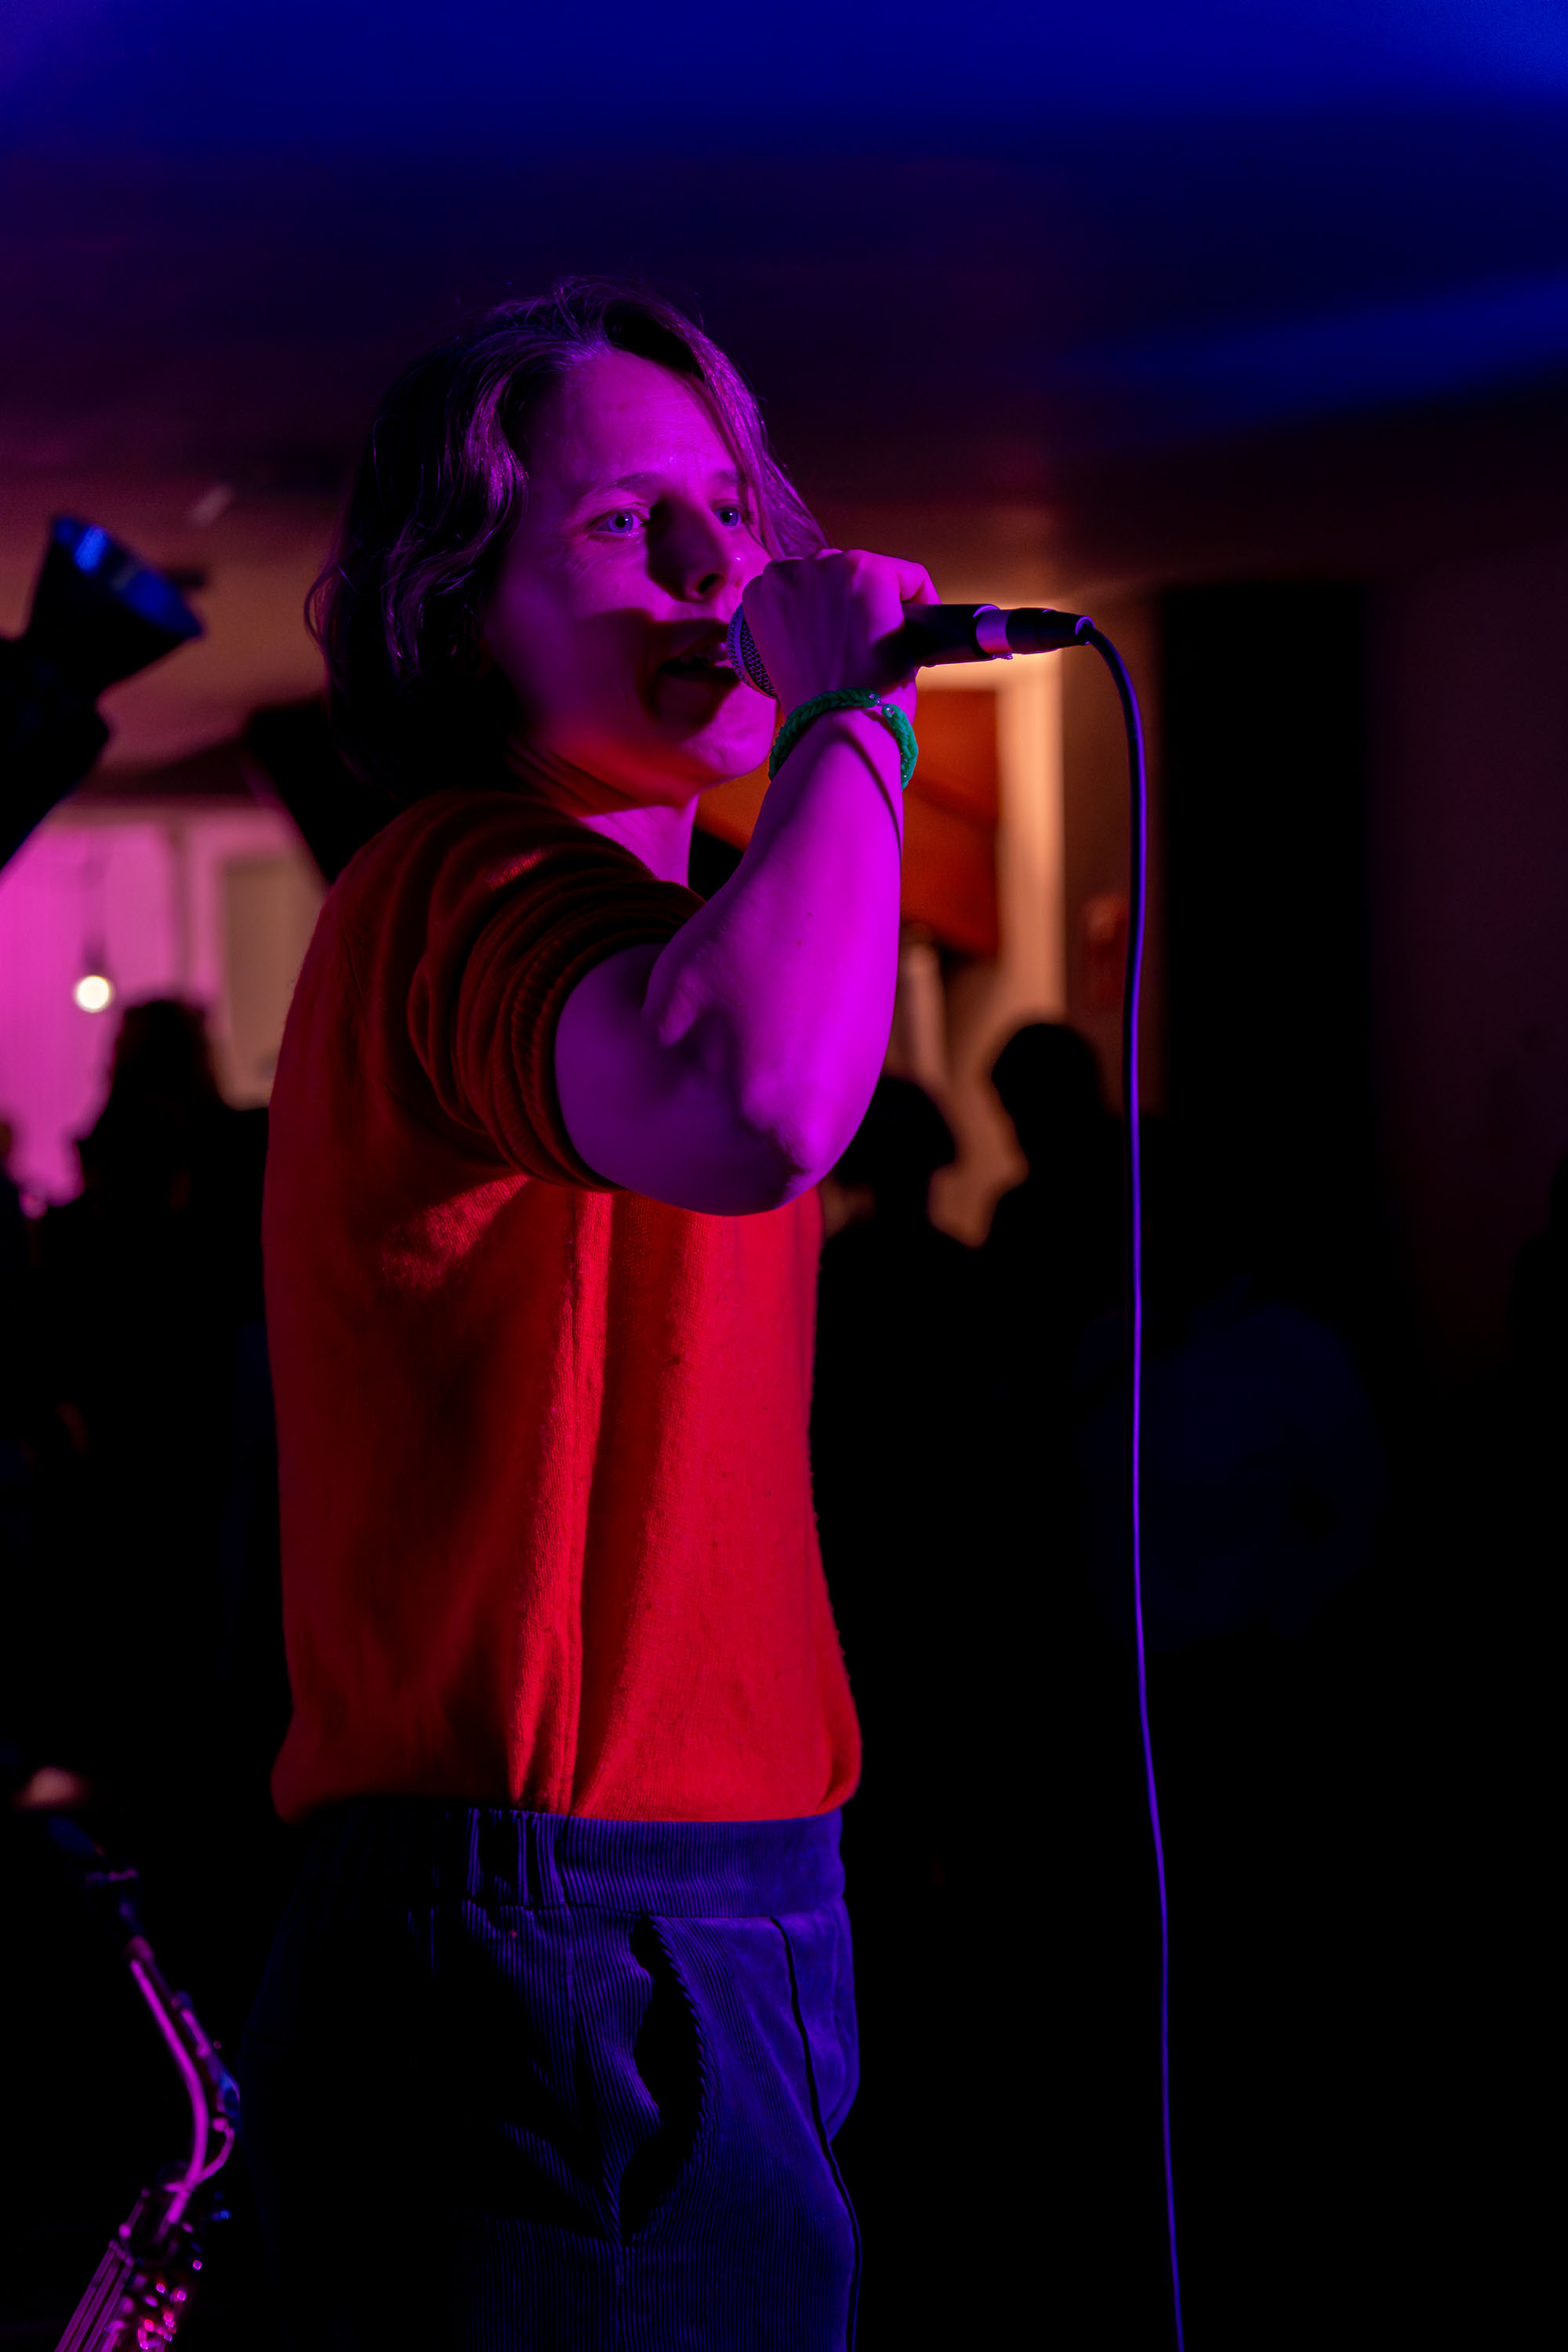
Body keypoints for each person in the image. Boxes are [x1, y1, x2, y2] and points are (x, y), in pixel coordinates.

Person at [238, 281, 935, 2349]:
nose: (723, 569)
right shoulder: (459, 886)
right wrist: (855, 718)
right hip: (555, 1921)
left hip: (693, 1910)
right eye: (633, 525)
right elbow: (749, 1101)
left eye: (737, 511)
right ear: (460, 614)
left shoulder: (651, 929)